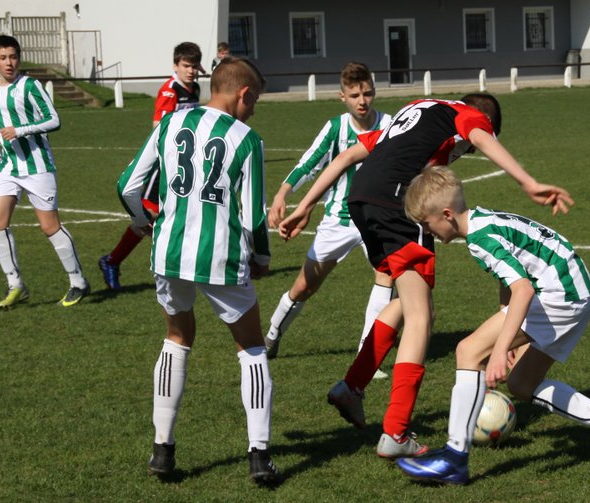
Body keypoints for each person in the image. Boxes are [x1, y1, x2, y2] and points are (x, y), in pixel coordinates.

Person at [279, 94, 573, 459]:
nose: (467, 152)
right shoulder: (465, 115)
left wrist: (306, 205)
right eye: (469, 148)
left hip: (362, 198)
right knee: (422, 315)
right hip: (397, 201)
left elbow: (346, 157)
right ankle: (396, 432)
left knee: (406, 301)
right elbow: (479, 135)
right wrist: (528, 182)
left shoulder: (416, 113)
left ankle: (352, 387)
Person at [395, 166, 590, 484]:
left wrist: (500, 349)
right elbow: (512, 275)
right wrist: (507, 324)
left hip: (558, 294)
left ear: (446, 215)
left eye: (426, 224)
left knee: (468, 351)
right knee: (522, 384)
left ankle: (454, 458)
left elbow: (522, 289)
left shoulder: (479, 239)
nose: (426, 232)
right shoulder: (483, 219)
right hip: (575, 292)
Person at [117, 57, 282, 485]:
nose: (253, 110)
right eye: (254, 101)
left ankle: (162, 448)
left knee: (177, 337)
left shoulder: (170, 123)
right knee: (251, 347)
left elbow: (128, 185)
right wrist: (262, 258)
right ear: (244, 93)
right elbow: (255, 214)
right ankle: (259, 455)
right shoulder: (247, 139)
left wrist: (142, 221)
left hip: (169, 253)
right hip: (220, 257)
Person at [264, 62, 393, 377]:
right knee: (304, 287)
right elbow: (309, 163)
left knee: (386, 276)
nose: (362, 101)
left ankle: (366, 358)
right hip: (338, 220)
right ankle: (272, 335)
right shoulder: (336, 128)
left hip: (376, 220)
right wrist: (282, 193)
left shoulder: (390, 125)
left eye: (367, 93)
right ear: (342, 97)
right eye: (355, 95)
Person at [0, 35, 90, 309]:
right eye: (3, 58)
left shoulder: (30, 86)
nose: (9, 63)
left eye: (13, 57)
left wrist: (21, 130)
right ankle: (16, 285)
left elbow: (54, 119)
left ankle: (78, 281)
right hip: (8, 166)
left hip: (38, 166)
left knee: (49, 226)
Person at [99, 42, 203, 289]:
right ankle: (113, 261)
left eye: (194, 66)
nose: (191, 71)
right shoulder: (169, 91)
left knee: (180, 214)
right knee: (148, 218)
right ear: (175, 66)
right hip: (163, 165)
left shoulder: (195, 88)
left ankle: (115, 261)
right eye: (186, 66)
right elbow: (158, 126)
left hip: (183, 163)